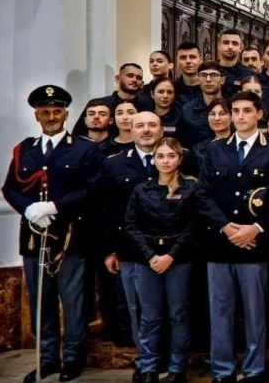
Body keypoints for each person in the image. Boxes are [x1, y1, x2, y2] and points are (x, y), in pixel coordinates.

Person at [3, 85, 102, 383]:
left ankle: (73, 358)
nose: (51, 117)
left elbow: (92, 189)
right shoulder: (26, 149)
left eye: (57, 111)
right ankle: (46, 359)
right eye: (45, 112)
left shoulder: (84, 148)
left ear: (66, 114)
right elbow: (10, 187)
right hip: (34, 236)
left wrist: (54, 206)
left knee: (72, 301)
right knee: (40, 300)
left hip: (70, 236)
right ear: (37, 115)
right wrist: (30, 209)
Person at [197, 91, 269, 383]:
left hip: (256, 244)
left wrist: (256, 228)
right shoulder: (214, 150)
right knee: (221, 311)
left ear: (259, 114)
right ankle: (223, 370)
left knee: (255, 312)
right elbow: (203, 194)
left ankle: (253, 368)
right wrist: (227, 227)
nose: (239, 116)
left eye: (246, 110)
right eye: (234, 110)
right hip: (220, 243)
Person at [123, 137, 198, 383]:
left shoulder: (190, 188)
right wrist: (151, 255)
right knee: (149, 316)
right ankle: (148, 367)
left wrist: (171, 255)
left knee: (178, 313)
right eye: (161, 156)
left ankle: (177, 367)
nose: (165, 161)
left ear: (179, 159)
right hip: (148, 260)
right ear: (154, 160)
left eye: (171, 156)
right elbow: (131, 225)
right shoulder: (142, 189)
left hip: (179, 259)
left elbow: (193, 227)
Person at [99, 111, 165, 368]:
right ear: (130, 130)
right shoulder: (114, 164)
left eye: (152, 125)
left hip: (171, 250)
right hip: (129, 250)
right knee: (136, 307)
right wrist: (110, 250)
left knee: (174, 307)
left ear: (161, 130)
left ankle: (170, 357)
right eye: (140, 126)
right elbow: (106, 210)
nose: (146, 130)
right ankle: (146, 359)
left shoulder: (180, 158)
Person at [216, 30, 257, 97]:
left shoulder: (250, 75)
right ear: (219, 45)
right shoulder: (209, 71)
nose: (230, 47)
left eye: (234, 43)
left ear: (241, 47)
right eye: (226, 43)